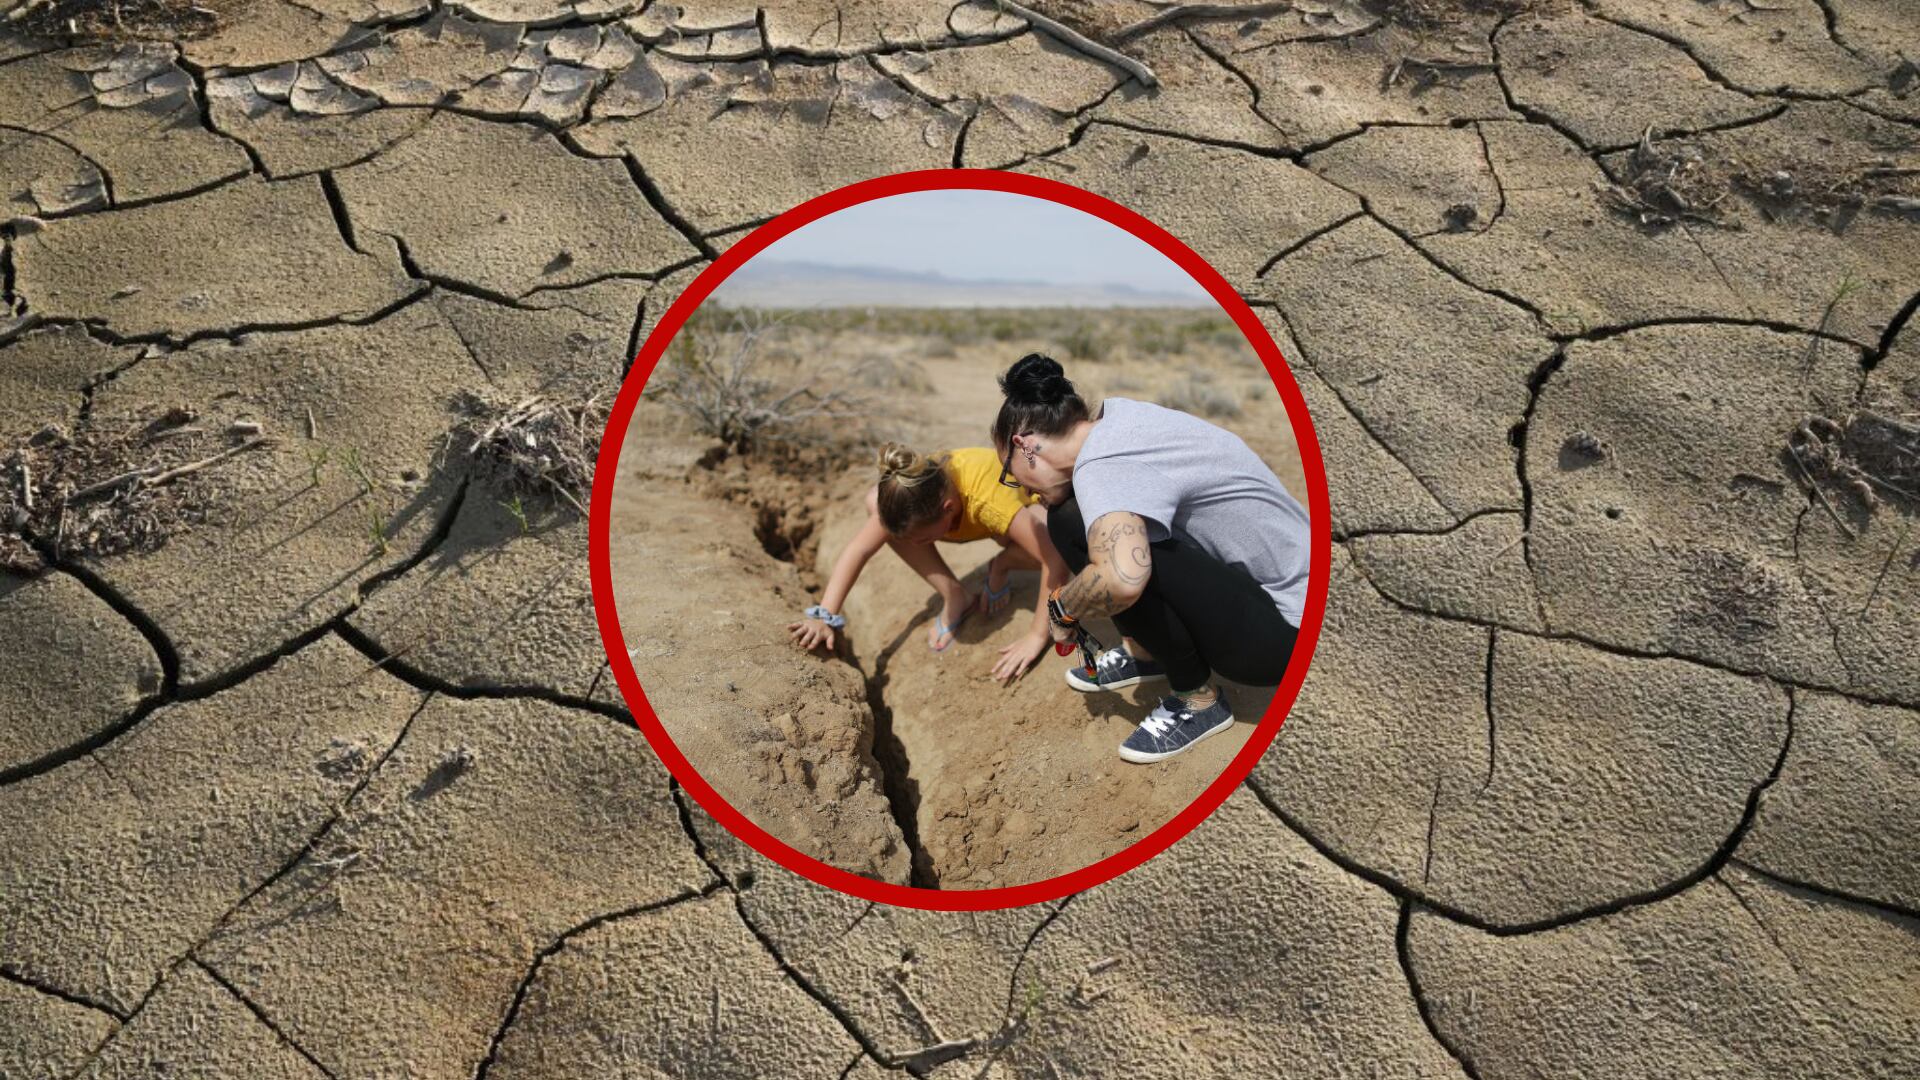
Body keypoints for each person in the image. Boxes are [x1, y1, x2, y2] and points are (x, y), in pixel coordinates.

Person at [992, 353, 1310, 763]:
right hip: (1295, 595)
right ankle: (1145, 653)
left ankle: (1198, 701)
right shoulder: (1120, 420)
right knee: (1080, 520)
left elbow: (1123, 577)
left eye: (1010, 472)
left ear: (1024, 445)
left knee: (1068, 521)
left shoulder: (1103, 465)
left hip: (1287, 633)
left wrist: (1061, 608)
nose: (1022, 488)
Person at [789, 443, 1073, 684]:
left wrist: (1037, 636)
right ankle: (955, 595)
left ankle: (1004, 562)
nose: (913, 546)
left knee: (1060, 537)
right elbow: (860, 549)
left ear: (947, 510)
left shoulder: (987, 503)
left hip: (1031, 507)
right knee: (874, 504)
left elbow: (1054, 557)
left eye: (921, 540)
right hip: (981, 519)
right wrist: (824, 615)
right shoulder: (917, 489)